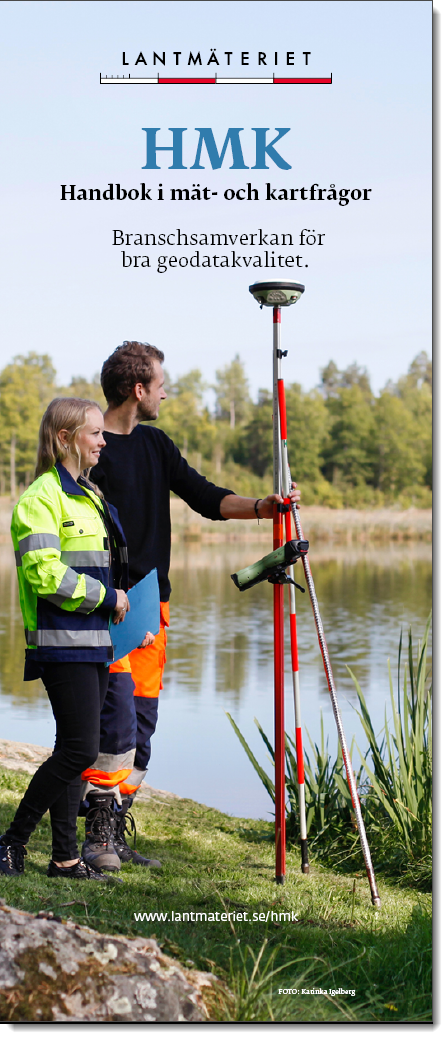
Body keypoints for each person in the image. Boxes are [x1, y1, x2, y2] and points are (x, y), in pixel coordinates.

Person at [80, 342, 300, 871]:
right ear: (139, 389)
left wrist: (261, 508)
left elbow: (204, 496)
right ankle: (96, 835)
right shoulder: (91, 448)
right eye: (160, 384)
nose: (165, 391)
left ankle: (119, 824)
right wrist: (102, 594)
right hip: (108, 605)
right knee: (114, 723)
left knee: (144, 721)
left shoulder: (156, 445)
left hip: (153, 605)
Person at [0, 398, 132, 879]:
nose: (103, 440)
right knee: (78, 749)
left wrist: (119, 602)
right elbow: (44, 574)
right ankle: (12, 842)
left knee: (76, 747)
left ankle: (65, 857)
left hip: (95, 640)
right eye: (94, 433)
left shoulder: (88, 496)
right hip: (62, 642)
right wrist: (106, 597)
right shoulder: (41, 498)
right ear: (64, 438)